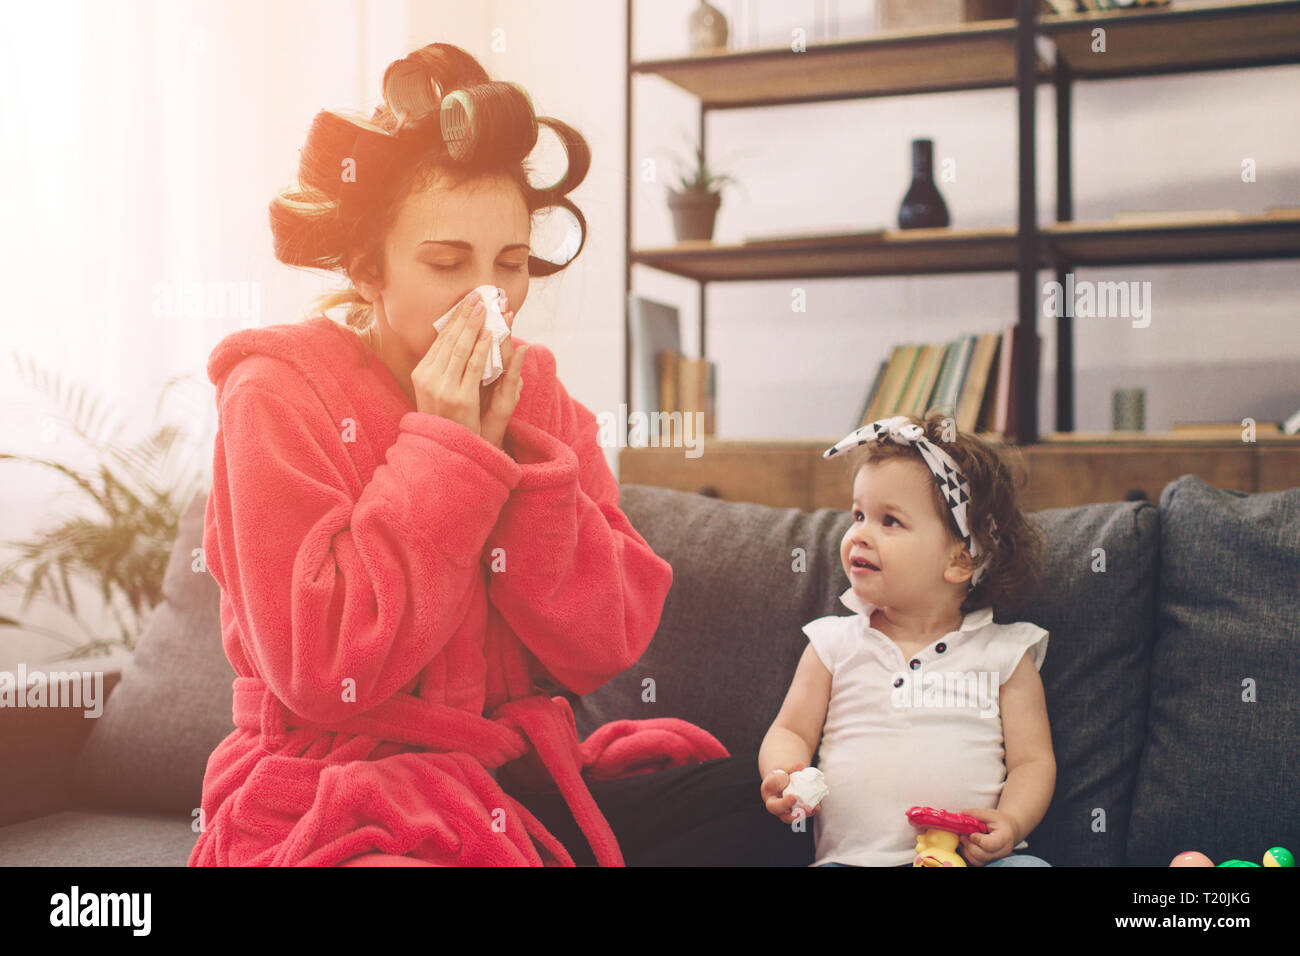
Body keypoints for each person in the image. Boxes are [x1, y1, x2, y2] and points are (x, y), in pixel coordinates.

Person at [187, 41, 811, 867]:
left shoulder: (538, 395)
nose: (490, 297)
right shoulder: (275, 391)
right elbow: (320, 666)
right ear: (368, 268)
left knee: (770, 819)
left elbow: (604, 644)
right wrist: (448, 452)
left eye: (511, 264)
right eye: (447, 262)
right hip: (336, 778)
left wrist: (518, 458)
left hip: (511, 776)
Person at [758, 413, 1056, 867]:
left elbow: (1033, 763)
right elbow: (791, 730)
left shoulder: (1005, 654)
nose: (859, 534)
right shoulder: (833, 643)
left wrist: (1011, 823)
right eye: (858, 515)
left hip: (968, 860)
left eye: (889, 521)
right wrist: (784, 774)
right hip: (854, 861)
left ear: (960, 560)